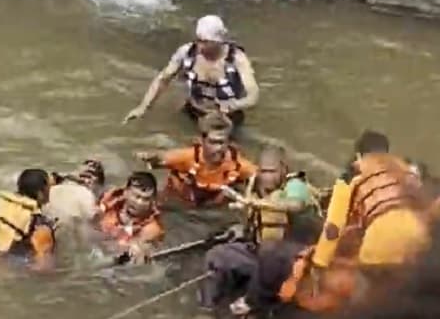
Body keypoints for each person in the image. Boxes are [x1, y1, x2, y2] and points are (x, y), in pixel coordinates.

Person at [234, 131, 432, 316]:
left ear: (358, 155)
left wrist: (319, 266)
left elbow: (333, 228)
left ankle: (251, 305)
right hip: (419, 241)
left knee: (363, 292)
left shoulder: (351, 176)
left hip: (378, 245)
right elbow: (420, 202)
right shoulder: (404, 170)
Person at [198, 145, 319, 310]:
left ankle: (253, 303)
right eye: (263, 171)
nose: (266, 177)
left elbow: (295, 204)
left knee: (268, 260)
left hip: (286, 262)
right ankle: (207, 308)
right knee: (215, 257)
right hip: (257, 252)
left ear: (284, 169)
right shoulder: (255, 184)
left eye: (272, 171)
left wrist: (255, 203)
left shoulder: (295, 186)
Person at [124, 14, 259, 129]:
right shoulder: (186, 52)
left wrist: (234, 105)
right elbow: (163, 79)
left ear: (219, 41)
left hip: (226, 119)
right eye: (198, 40)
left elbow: (253, 95)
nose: (200, 46)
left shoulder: (236, 58)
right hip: (194, 112)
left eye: (206, 42)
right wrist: (143, 107)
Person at [136, 114, 257, 208]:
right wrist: (147, 156)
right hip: (175, 206)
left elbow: (259, 177)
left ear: (229, 142)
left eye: (222, 142)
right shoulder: (186, 157)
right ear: (201, 141)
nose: (219, 148)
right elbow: (157, 159)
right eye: (213, 142)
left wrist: (249, 198)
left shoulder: (238, 165)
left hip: (212, 211)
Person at [0, 168, 57, 270]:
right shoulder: (40, 225)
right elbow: (43, 266)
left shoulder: (0, 209)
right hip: (2, 268)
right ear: (40, 194)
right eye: (48, 187)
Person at [94, 171, 165, 263]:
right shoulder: (110, 201)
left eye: (146, 199)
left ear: (153, 201)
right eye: (136, 196)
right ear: (126, 193)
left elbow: (142, 247)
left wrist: (138, 247)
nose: (139, 203)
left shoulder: (151, 229)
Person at [45, 159, 106, 232]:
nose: (86, 179)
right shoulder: (60, 185)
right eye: (84, 175)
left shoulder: (96, 199)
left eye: (91, 175)